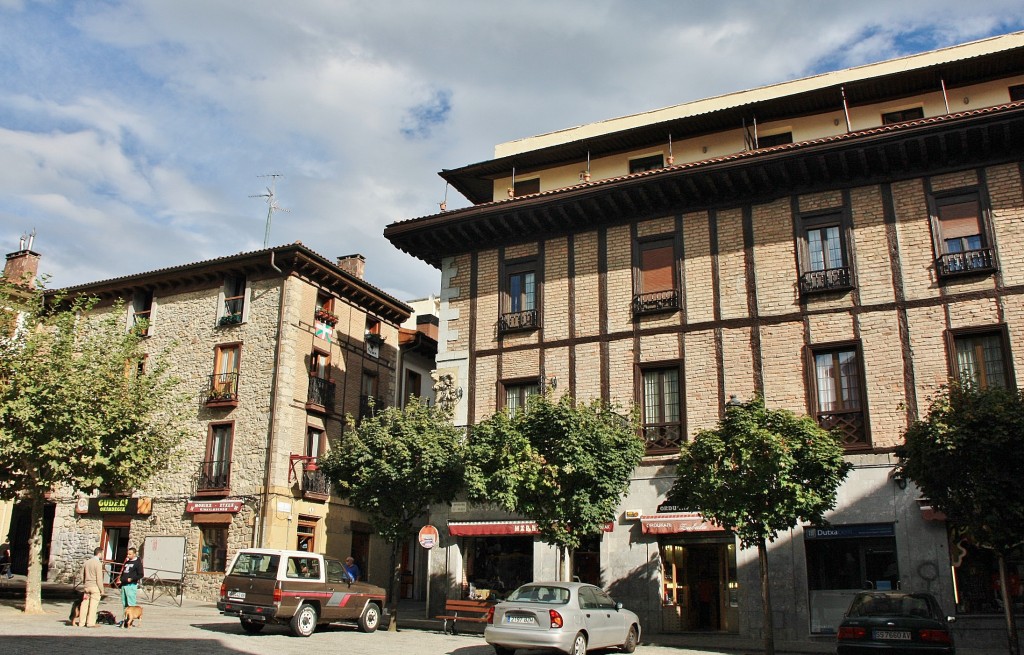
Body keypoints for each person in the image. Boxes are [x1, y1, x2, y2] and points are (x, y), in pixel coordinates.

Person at [79, 547, 104, 627]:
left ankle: (81, 622)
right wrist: (102, 590)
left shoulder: (87, 562)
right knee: (93, 605)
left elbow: (81, 574)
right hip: (95, 587)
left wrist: (84, 582)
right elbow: (99, 579)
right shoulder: (98, 564)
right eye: (102, 553)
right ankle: (90, 623)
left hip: (87, 586)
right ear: (99, 553)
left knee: (84, 604)